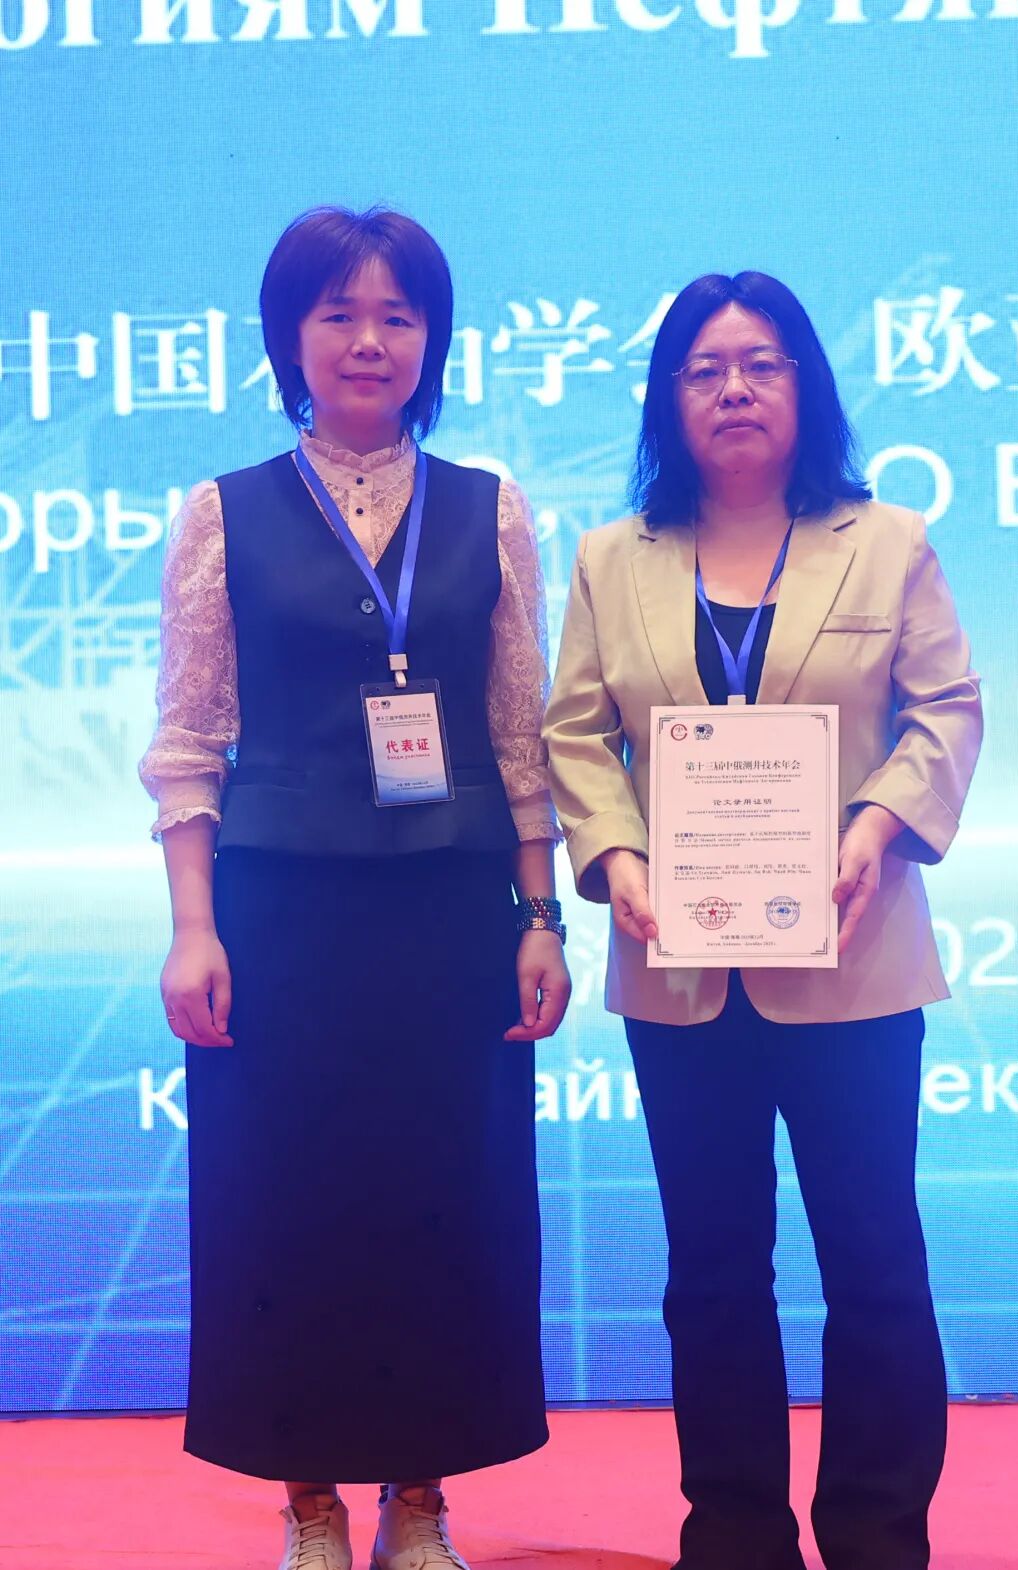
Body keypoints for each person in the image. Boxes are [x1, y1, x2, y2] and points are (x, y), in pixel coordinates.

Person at [139, 205, 571, 1570]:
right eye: (338, 314)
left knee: (445, 1191)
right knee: (289, 1195)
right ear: (292, 339)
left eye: (396, 314)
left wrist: (540, 914)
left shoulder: (493, 507)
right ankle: (312, 1501)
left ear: (431, 339)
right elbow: (189, 737)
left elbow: (519, 735)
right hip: (280, 913)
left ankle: (421, 1501)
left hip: (450, 911)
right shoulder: (222, 511)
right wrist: (193, 926)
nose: (368, 340)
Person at [543, 272, 982, 1570]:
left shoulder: (888, 539)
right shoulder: (611, 558)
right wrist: (615, 852)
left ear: (805, 386)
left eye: (762, 363)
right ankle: (733, 1533)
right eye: (705, 369)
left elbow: (945, 709)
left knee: (875, 1262)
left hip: (853, 954)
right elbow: (576, 731)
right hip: (679, 969)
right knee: (714, 1272)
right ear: (669, 399)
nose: (734, 388)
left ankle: (878, 1533)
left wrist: (875, 826)